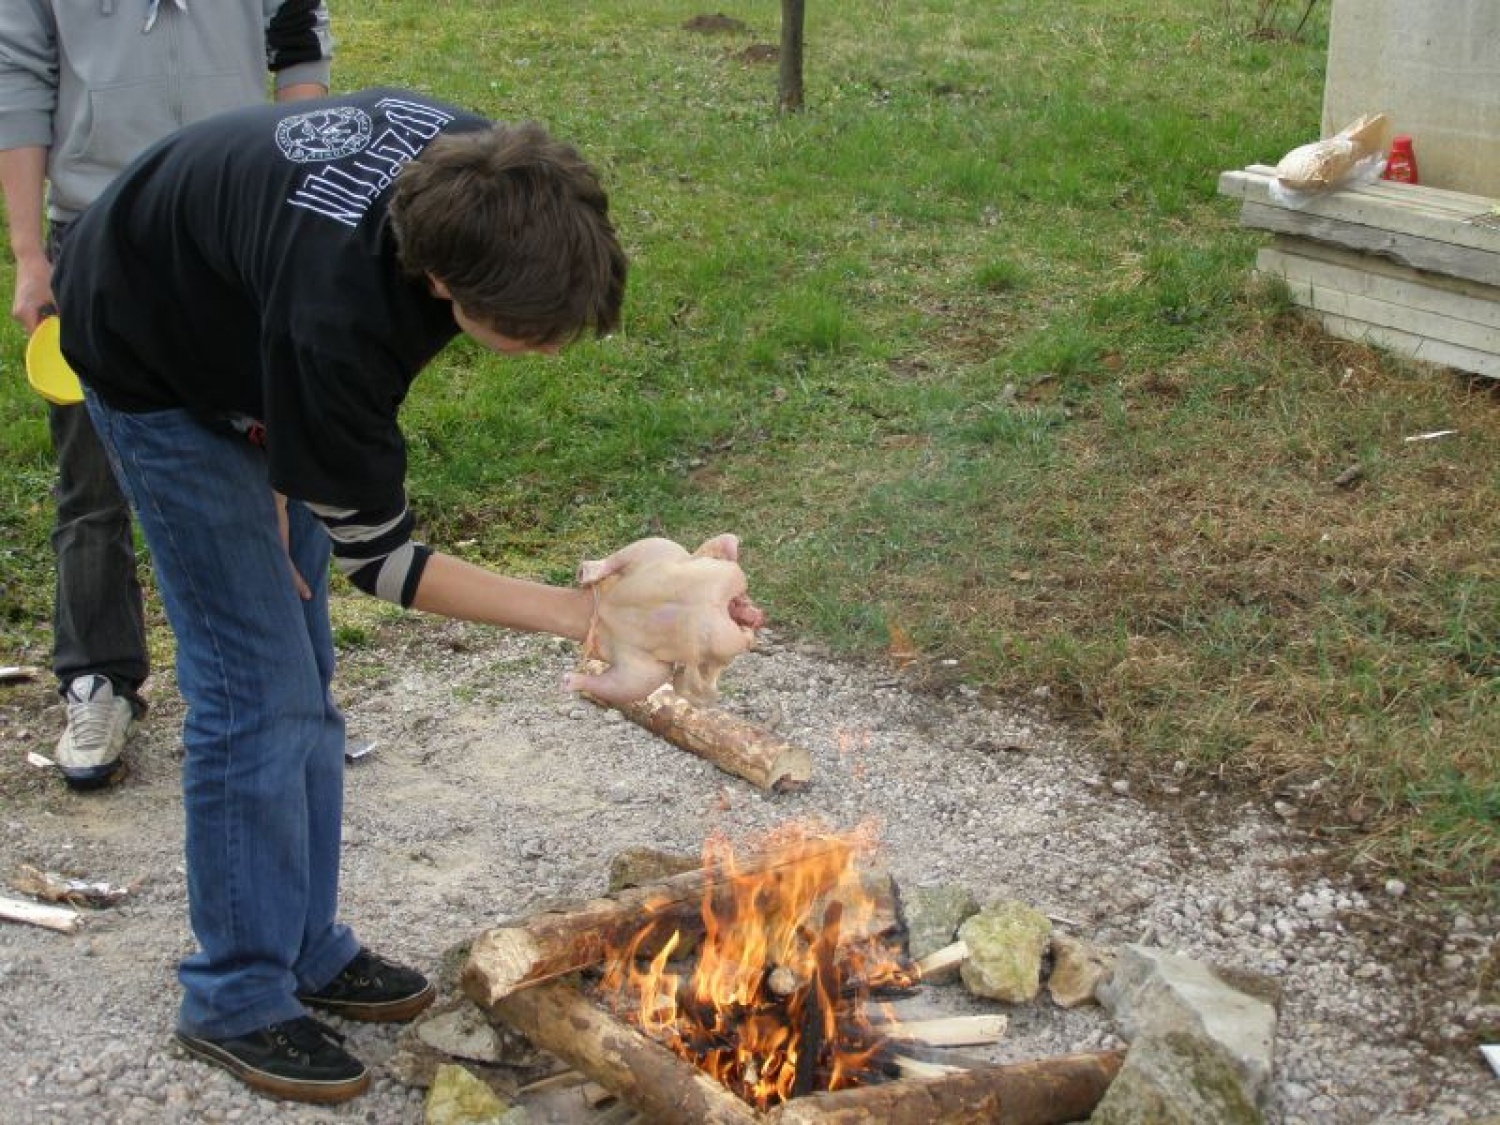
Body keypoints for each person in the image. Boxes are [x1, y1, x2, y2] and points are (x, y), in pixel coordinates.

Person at [51, 86, 683, 1105]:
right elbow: (384, 566)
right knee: (256, 689)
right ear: (440, 282)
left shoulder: (498, 174)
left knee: (306, 671)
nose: (552, 348)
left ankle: (309, 948)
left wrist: (296, 478)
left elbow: (316, 424)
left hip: (240, 306)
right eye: (528, 332)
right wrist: (583, 614)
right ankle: (233, 995)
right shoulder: (339, 323)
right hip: (150, 349)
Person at [0, 0, 334, 789]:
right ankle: (100, 682)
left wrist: (299, 195)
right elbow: (19, 79)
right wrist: (26, 252)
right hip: (95, 230)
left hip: (240, 218)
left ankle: (298, 688)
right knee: (93, 480)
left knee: (278, 446)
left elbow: (299, 53)